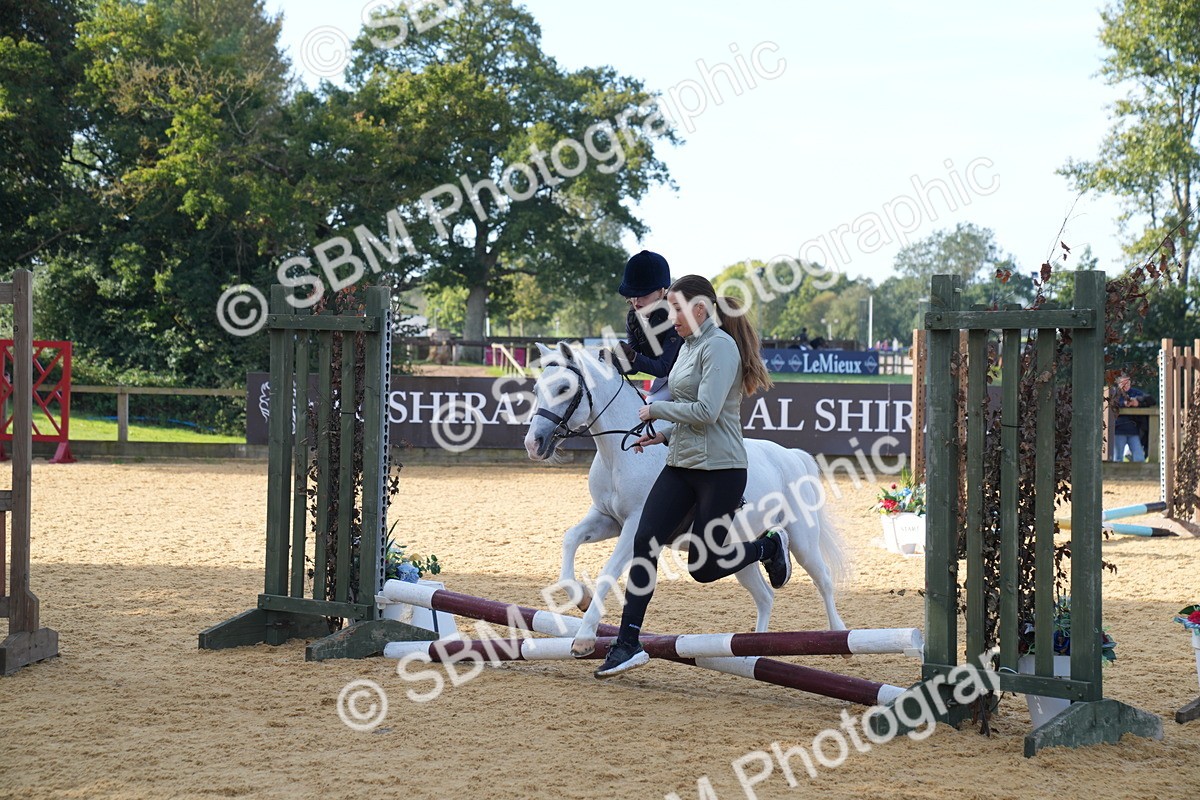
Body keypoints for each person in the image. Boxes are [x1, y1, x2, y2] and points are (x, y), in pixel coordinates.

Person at [592, 274, 786, 678]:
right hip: (681, 464)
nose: (670, 315)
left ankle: (767, 547)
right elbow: (687, 412)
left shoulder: (721, 348)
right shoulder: (688, 348)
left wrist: (655, 412)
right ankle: (628, 642)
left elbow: (706, 412)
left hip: (721, 471)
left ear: (699, 309)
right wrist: (660, 435)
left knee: (704, 568)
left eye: (677, 308)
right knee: (645, 541)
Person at [614, 250, 682, 402]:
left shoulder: (674, 315)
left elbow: (663, 368)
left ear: (660, 292)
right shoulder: (633, 318)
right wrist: (614, 363)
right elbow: (634, 367)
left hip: (694, 379)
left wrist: (633, 356)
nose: (637, 301)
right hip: (667, 381)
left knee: (649, 406)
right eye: (633, 295)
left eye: (644, 295)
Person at [1112, 372, 1155, 462]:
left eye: (1128, 383)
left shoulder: (1135, 392)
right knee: (1117, 458)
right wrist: (1123, 404)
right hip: (1118, 430)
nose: (1126, 385)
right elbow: (1111, 404)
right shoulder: (1114, 393)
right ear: (1119, 383)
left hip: (1134, 431)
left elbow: (1151, 400)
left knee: (1139, 458)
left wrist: (1138, 402)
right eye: (1123, 383)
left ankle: (1141, 476)